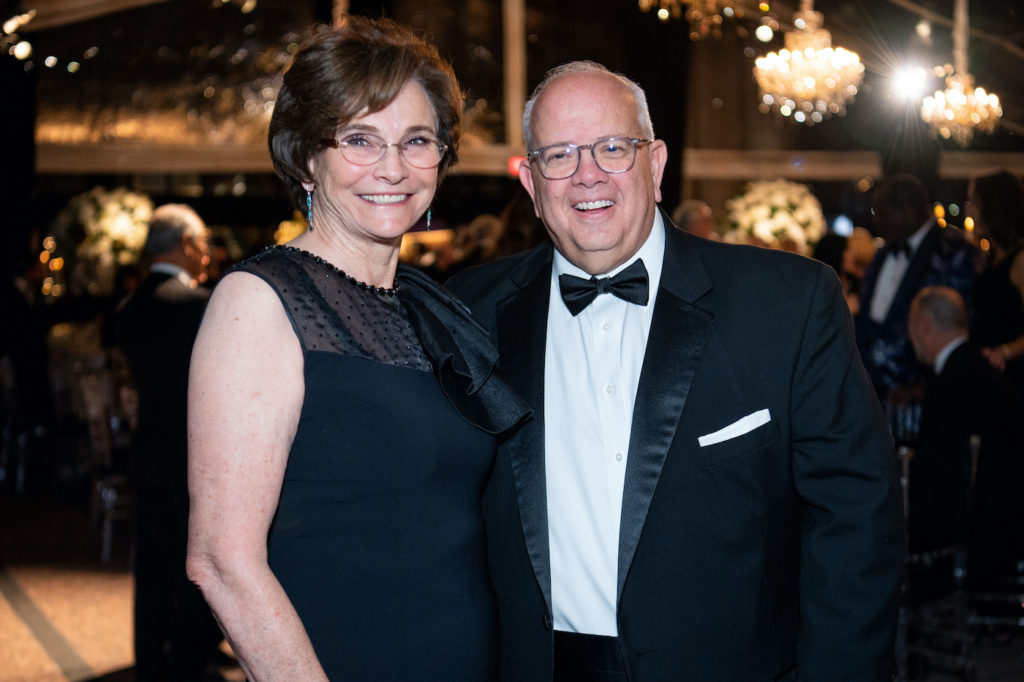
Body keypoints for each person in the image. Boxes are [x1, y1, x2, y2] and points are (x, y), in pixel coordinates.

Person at [447, 60, 904, 681]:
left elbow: (856, 522)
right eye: (558, 155)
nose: (587, 175)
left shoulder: (785, 305)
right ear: (531, 183)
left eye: (613, 148)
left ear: (655, 166)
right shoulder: (467, 313)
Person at [185, 18, 527, 681]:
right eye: (360, 140)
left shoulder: (430, 304)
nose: (393, 168)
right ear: (307, 157)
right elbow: (221, 561)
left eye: (417, 140)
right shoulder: (262, 302)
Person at [113, 203, 224, 681]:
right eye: (202, 244)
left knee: (153, 559)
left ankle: (150, 657)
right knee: (195, 559)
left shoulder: (127, 307)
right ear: (186, 245)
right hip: (195, 453)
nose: (206, 254)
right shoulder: (198, 305)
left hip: (148, 451)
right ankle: (189, 653)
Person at [907, 286, 1024, 614]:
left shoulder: (954, 381)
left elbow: (936, 473)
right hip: (1002, 512)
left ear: (925, 327)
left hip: (980, 524)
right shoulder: (975, 368)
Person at [855, 174, 978, 401]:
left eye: (881, 213)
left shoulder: (952, 251)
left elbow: (960, 325)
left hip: (918, 397)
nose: (876, 221)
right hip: (871, 391)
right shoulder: (884, 252)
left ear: (907, 211)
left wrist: (924, 386)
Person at [967, 170, 1024, 392]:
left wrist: (1005, 352)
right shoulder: (991, 256)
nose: (970, 210)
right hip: (992, 372)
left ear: (993, 206)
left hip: (1013, 374)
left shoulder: (1020, 259)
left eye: (974, 202)